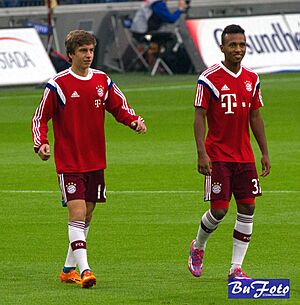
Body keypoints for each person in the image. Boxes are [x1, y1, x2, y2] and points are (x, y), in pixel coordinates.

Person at [31, 30, 147, 288]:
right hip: (69, 161)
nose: (88, 55)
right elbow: (40, 117)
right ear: (71, 54)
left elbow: (119, 107)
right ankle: (86, 271)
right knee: (78, 212)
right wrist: (41, 143)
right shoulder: (58, 84)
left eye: (91, 50)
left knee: (88, 214)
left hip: (95, 160)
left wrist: (134, 121)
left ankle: (67, 269)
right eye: (83, 51)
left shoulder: (102, 80)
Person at [188, 24, 271, 280]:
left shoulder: (252, 79)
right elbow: (199, 116)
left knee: (247, 207)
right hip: (218, 156)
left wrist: (264, 152)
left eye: (242, 45)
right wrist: (202, 152)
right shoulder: (209, 78)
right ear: (222, 47)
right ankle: (198, 246)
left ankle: (236, 269)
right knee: (220, 211)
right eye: (233, 45)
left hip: (244, 157)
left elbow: (255, 117)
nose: (238, 49)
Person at [130, 0, 186, 66]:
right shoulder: (157, 4)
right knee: (172, 38)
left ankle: (153, 55)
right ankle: (161, 61)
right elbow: (171, 19)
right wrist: (180, 9)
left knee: (162, 36)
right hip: (145, 36)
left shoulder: (151, 2)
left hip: (139, 35)